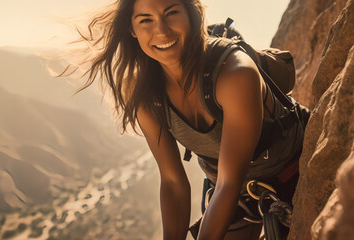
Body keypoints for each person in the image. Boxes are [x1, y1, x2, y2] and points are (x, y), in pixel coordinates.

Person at [64, 0, 303, 239]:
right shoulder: (145, 94)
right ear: (132, 29)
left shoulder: (235, 74)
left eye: (172, 13)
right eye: (146, 20)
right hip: (231, 194)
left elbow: (229, 184)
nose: (161, 30)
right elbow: (172, 181)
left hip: (290, 175)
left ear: (192, 15)